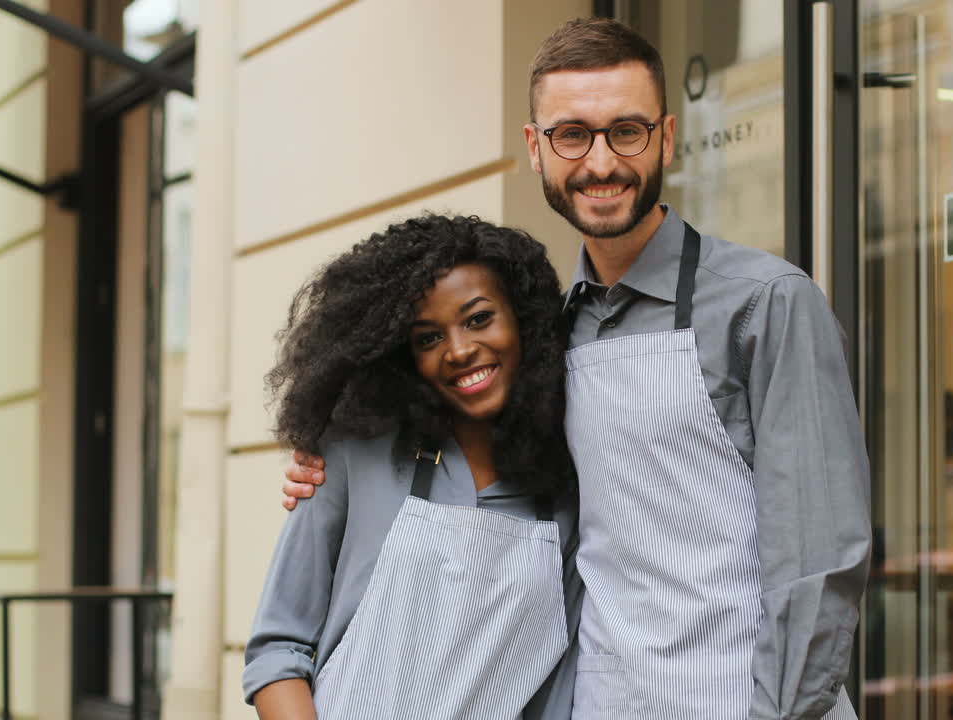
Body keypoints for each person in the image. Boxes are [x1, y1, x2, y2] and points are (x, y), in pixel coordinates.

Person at [284, 18, 870, 720]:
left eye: (627, 130)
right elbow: (443, 426)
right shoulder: (546, 337)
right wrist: (329, 449)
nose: (600, 163)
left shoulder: (766, 304)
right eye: (573, 135)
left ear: (668, 137)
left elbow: (818, 565)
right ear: (536, 148)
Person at [245, 215, 581, 720]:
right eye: (428, 338)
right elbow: (277, 654)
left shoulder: (569, 490)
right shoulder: (352, 454)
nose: (460, 350)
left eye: (478, 318)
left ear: (524, 321)